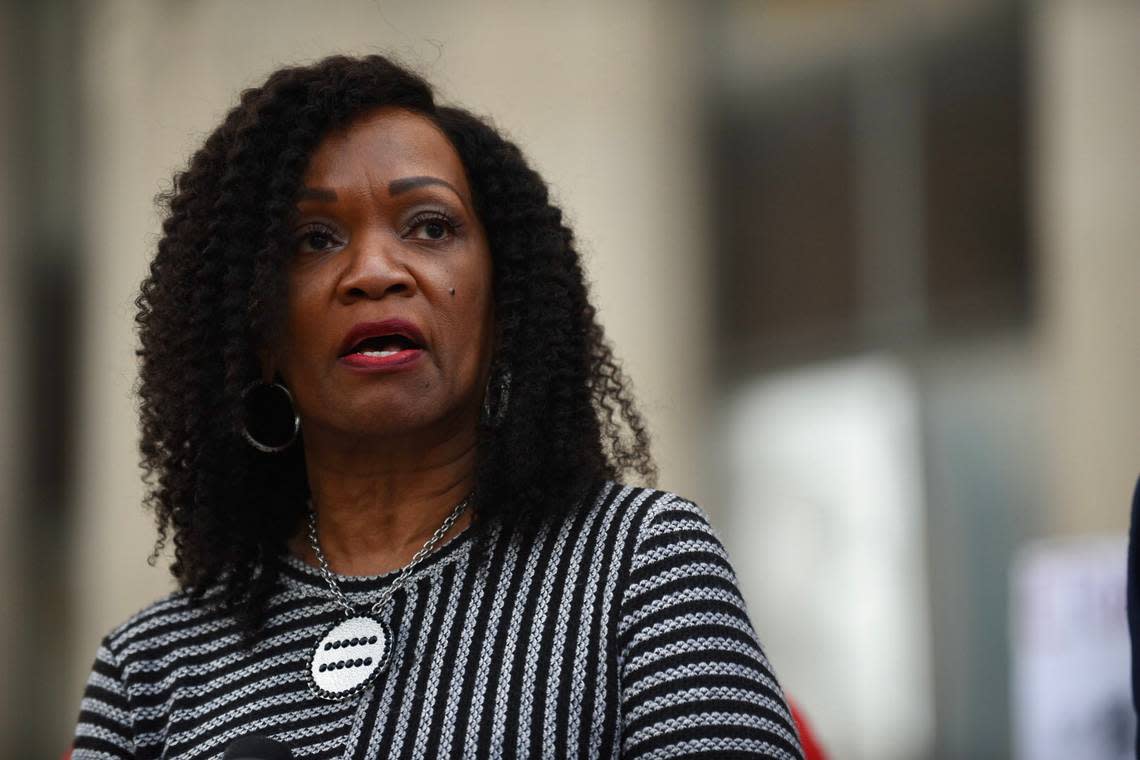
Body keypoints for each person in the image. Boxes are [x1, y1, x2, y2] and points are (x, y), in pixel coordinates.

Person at [71, 54, 804, 759]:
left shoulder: (641, 566)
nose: (375, 272)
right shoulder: (148, 671)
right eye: (315, 239)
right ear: (256, 331)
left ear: (502, 299)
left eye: (431, 226)